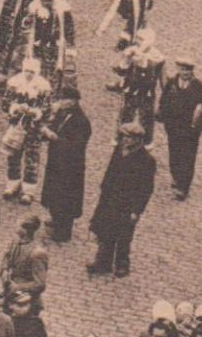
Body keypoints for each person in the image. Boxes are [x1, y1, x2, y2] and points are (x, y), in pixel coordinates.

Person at [88, 121, 157, 279]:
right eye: (124, 137)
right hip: (111, 198)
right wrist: (104, 189)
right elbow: (110, 171)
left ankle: (122, 264)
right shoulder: (119, 151)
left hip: (128, 203)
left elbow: (146, 189)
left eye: (129, 138)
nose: (125, 140)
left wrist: (136, 210)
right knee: (106, 230)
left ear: (138, 140)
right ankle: (103, 262)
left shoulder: (146, 160)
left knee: (124, 235)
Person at [158, 58, 202, 199]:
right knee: (174, 154)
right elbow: (163, 100)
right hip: (172, 128)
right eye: (182, 69)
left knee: (188, 158)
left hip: (189, 130)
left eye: (188, 70)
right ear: (178, 69)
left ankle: (184, 187)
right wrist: (164, 117)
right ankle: (176, 179)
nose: (185, 73)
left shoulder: (199, 86)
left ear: (192, 71)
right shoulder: (171, 82)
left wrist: (197, 127)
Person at [39, 89, 90, 242]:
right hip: (57, 162)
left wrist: (55, 138)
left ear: (74, 101)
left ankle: (63, 232)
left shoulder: (81, 121)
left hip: (70, 167)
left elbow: (76, 146)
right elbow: (54, 127)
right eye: (61, 99)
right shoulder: (62, 114)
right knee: (55, 194)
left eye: (66, 99)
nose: (62, 102)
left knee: (66, 198)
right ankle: (55, 218)